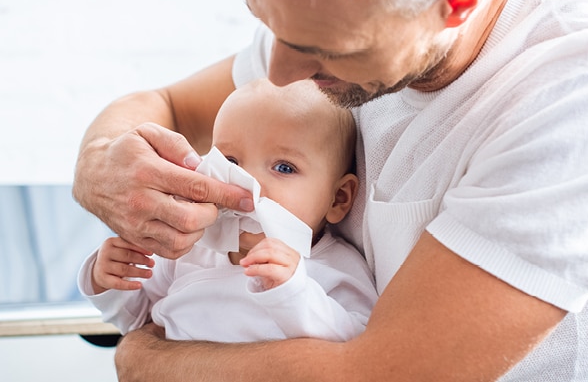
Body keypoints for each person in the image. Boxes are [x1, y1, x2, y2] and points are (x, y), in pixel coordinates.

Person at [72, 0, 588, 380]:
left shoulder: (582, 96)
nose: (282, 73)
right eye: (266, 22)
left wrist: (147, 359)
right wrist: (99, 164)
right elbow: (165, 103)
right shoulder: (327, 12)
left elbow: (373, 375)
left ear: (457, 3)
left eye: (325, 50)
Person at [78, 79, 377, 343]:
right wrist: (108, 281)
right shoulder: (188, 247)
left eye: (284, 167)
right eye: (230, 162)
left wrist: (294, 294)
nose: (247, 183)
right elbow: (136, 321)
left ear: (337, 198)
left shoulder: (336, 268)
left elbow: (359, 344)